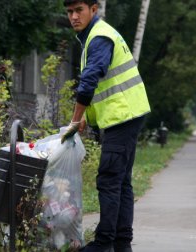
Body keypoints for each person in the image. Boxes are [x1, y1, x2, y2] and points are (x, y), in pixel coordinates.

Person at [60, 0, 151, 251]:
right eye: (70, 12)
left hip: (122, 116)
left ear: (93, 9)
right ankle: (122, 244)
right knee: (121, 181)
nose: (74, 17)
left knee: (109, 179)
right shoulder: (96, 35)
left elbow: (89, 80)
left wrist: (76, 119)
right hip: (128, 113)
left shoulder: (99, 37)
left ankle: (104, 244)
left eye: (79, 10)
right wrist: (85, 118)